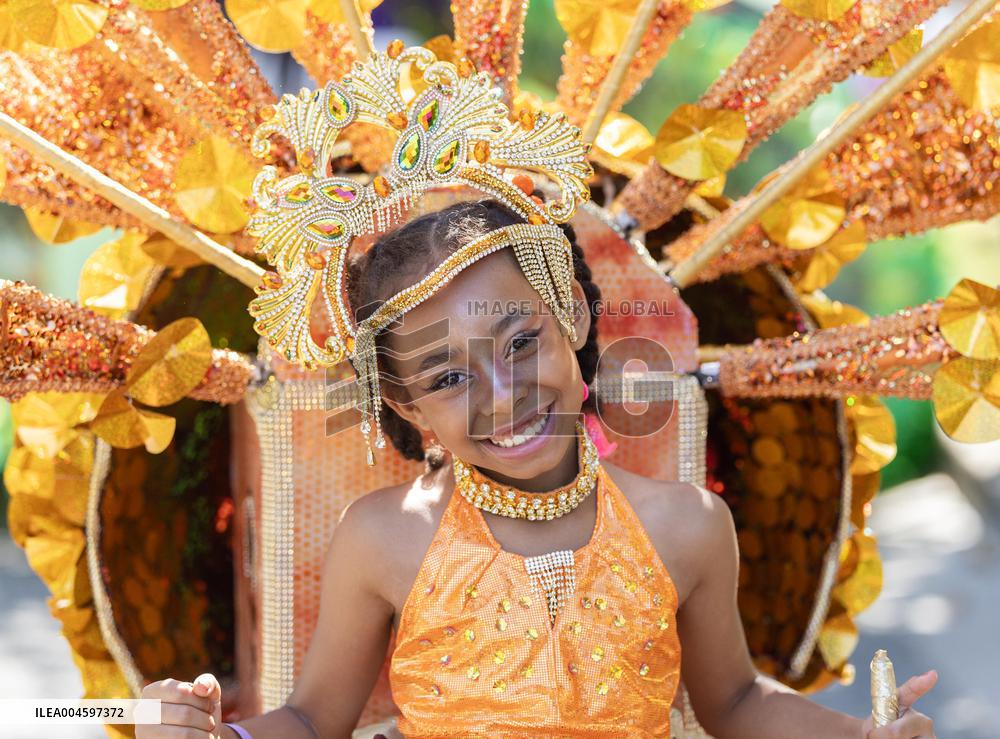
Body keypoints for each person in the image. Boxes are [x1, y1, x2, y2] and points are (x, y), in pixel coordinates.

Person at [138, 199, 938, 739]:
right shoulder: (384, 538)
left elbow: (733, 699)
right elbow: (313, 721)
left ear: (574, 318)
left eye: (521, 343)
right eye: (449, 378)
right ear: (411, 408)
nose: (504, 395)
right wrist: (221, 733)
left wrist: (862, 731)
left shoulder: (687, 525)